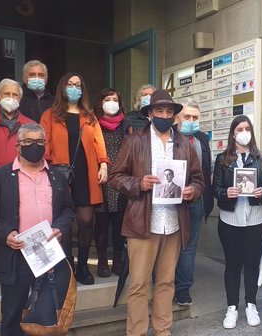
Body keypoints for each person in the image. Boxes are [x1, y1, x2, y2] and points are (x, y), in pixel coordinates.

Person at [109, 89, 204, 336]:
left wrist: (192, 190)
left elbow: (198, 179)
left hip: (173, 223)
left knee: (166, 282)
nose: (164, 115)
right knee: (139, 284)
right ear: (150, 114)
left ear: (174, 116)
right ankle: (137, 332)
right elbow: (115, 177)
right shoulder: (134, 141)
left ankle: (163, 331)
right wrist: (138, 184)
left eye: (169, 111)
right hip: (143, 222)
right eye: (159, 111)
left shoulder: (184, 143)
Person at [0, 123, 74, 336]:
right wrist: (5, 235)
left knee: (48, 314)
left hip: (49, 255)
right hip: (16, 255)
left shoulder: (57, 177)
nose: (34, 146)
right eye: (28, 142)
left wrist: (60, 227)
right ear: (17, 146)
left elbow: (68, 209)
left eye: (39, 142)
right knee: (13, 314)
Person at [40, 72, 110, 285]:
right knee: (64, 222)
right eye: (70, 84)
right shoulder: (50, 115)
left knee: (86, 220)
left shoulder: (89, 116)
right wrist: (48, 168)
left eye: (78, 85)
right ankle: (67, 265)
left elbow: (99, 142)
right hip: (58, 173)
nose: (74, 88)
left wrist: (104, 164)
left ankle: (82, 266)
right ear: (62, 87)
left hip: (85, 172)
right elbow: (44, 143)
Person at [0, 78, 36, 291]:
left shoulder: (29, 123)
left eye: (15, 95)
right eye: (6, 94)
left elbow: (34, 150)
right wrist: (0, 176)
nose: (10, 99)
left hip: (21, 181)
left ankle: (12, 270)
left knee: (15, 226)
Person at [212, 115, 262, 329]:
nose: (244, 132)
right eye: (239, 129)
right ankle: (232, 307)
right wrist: (226, 192)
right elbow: (215, 189)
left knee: (252, 264)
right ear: (233, 133)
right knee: (233, 264)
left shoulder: (261, 157)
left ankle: (251, 304)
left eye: (247, 128)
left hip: (257, 218)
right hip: (230, 219)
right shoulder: (221, 159)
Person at [173, 97, 213, 306]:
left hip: (196, 200)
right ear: (178, 116)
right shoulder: (167, 136)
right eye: (187, 116)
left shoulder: (203, 139)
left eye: (195, 117)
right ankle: (165, 284)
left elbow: (208, 170)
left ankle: (183, 289)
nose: (191, 120)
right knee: (169, 245)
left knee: (189, 247)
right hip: (170, 201)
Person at [92, 88, 133, 277]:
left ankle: (117, 260)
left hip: (120, 179)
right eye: (107, 99)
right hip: (101, 178)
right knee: (101, 223)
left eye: (114, 99)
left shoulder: (126, 123)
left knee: (119, 224)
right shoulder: (93, 123)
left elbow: (132, 149)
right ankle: (102, 262)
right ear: (100, 102)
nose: (111, 102)